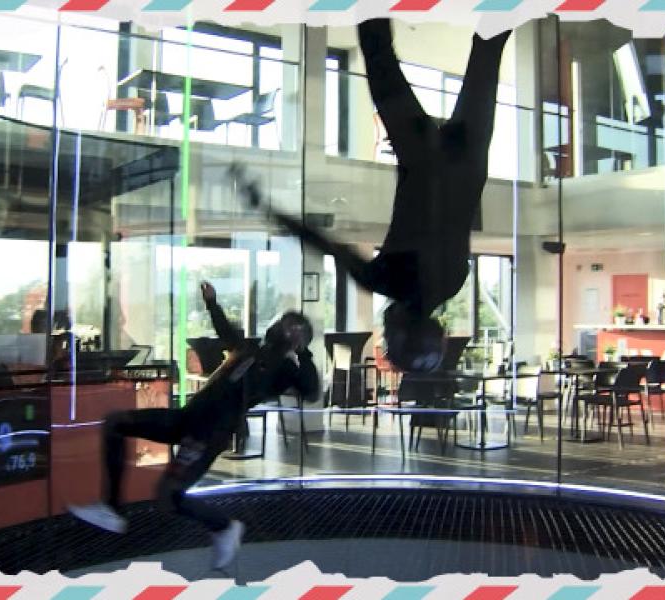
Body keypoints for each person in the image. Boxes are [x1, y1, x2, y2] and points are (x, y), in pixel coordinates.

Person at [231, 18, 511, 373]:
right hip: (421, 157)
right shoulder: (385, 280)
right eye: (389, 339)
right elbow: (317, 239)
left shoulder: (452, 284)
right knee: (378, 53)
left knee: (489, 44)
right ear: (400, 332)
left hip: (467, 161)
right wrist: (265, 207)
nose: (382, 334)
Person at [69, 281, 319, 569]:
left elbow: (311, 390)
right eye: (282, 321)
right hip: (186, 418)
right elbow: (226, 332)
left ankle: (224, 526)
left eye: (289, 326)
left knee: (169, 495)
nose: (279, 326)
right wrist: (212, 302)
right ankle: (111, 510)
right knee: (116, 423)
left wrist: (304, 353)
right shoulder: (250, 348)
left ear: (296, 339)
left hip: (206, 434)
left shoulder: (285, 369)